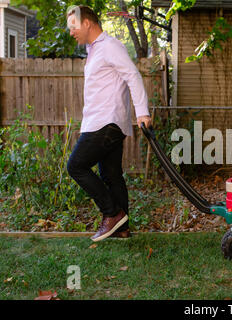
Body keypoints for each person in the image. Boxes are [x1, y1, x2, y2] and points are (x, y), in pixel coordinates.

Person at [66, 6, 152, 242]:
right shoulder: (93, 50)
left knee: (75, 166)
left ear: (87, 24)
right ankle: (122, 230)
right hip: (106, 122)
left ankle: (112, 213)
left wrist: (142, 112)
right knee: (112, 175)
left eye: (73, 26)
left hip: (105, 122)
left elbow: (132, 76)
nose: (71, 31)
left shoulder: (109, 46)